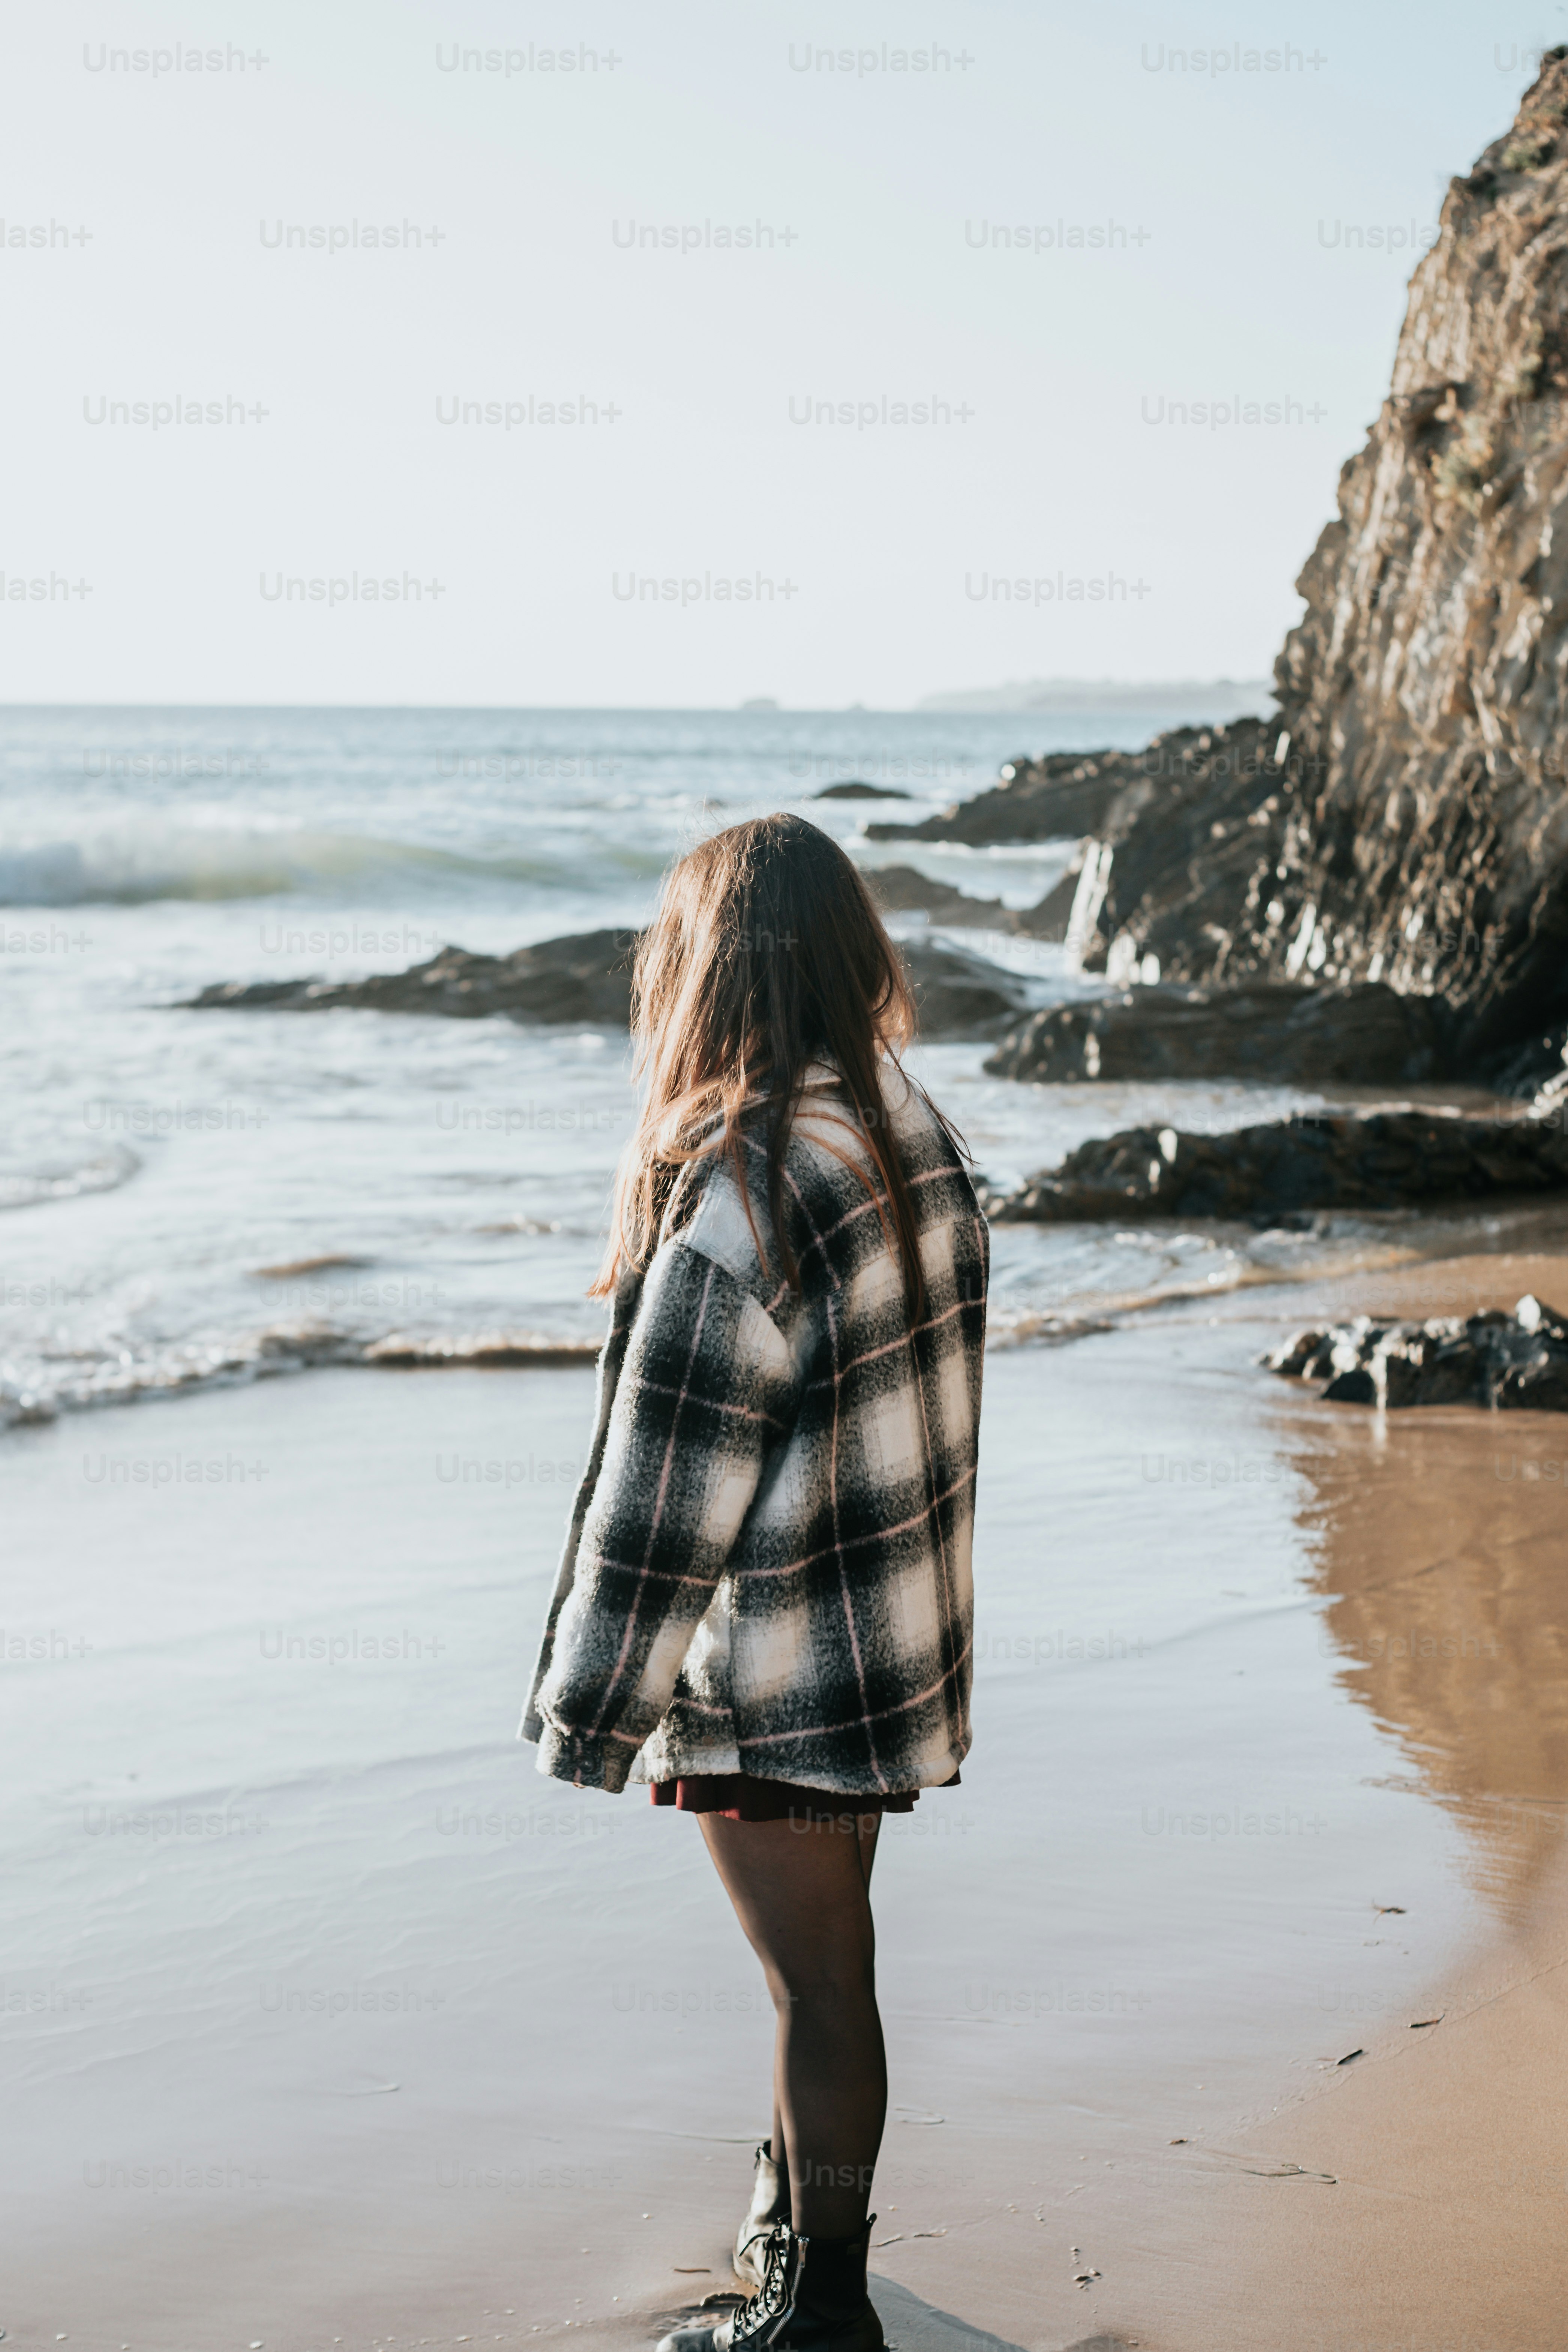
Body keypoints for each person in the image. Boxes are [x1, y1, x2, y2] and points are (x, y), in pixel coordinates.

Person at [522, 814, 988, 2351]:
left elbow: (663, 1507)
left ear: (701, 974)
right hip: (884, 1645)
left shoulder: (734, 1203)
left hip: (783, 1671)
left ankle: (821, 2312)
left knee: (815, 1986)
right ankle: (800, 2223)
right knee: (829, 1961)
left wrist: (589, 1717)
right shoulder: (904, 1135)